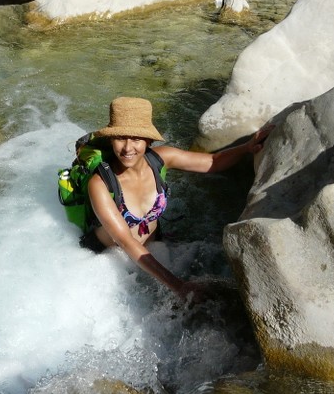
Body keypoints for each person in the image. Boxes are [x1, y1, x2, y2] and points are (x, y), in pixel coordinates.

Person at [81, 97, 271, 302]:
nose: (128, 148)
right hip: (110, 258)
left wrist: (246, 147)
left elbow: (212, 162)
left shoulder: (160, 159)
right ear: (111, 140)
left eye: (136, 139)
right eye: (120, 138)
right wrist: (179, 286)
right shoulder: (100, 184)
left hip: (152, 250)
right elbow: (126, 241)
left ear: (148, 141)